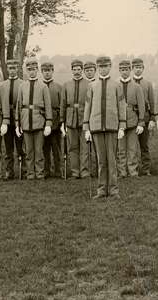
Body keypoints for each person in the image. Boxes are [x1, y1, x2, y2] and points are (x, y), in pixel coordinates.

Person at [83, 55, 125, 199]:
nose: (103, 69)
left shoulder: (117, 85)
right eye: (100, 67)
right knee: (101, 160)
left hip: (112, 126)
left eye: (105, 66)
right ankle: (101, 190)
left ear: (110, 67)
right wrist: (86, 128)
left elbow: (121, 106)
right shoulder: (92, 86)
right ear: (97, 68)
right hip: (95, 127)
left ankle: (113, 190)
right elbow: (87, 107)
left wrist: (122, 126)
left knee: (111, 160)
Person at [15, 57, 52, 180]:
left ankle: (39, 173)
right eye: (29, 69)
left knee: (39, 151)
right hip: (25, 122)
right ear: (26, 70)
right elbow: (19, 106)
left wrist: (48, 123)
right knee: (28, 151)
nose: (32, 72)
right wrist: (17, 124)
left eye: (34, 69)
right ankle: (30, 173)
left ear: (37, 70)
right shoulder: (22, 86)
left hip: (39, 122)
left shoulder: (43, 87)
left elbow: (48, 106)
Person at [115, 60, 146, 178]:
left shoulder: (137, 87)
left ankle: (133, 171)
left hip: (133, 120)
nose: (124, 72)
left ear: (130, 70)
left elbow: (141, 105)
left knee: (132, 148)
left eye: (126, 69)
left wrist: (141, 122)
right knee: (120, 148)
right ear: (119, 71)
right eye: (122, 70)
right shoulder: (115, 86)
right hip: (119, 122)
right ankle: (122, 172)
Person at [61, 59, 90, 178]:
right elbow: (63, 104)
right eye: (74, 69)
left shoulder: (89, 84)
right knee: (72, 148)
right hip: (70, 120)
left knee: (84, 148)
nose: (77, 72)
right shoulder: (66, 85)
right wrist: (62, 122)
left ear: (82, 70)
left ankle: (85, 172)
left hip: (84, 120)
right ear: (71, 70)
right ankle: (75, 171)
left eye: (79, 69)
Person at [0, 58, 25, 179]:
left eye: (14, 68)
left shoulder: (22, 84)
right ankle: (9, 172)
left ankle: (24, 170)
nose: (12, 70)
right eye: (10, 68)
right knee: (8, 148)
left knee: (21, 147)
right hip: (6, 119)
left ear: (18, 69)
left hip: (19, 119)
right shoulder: (2, 85)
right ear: (7, 69)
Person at [131, 58, 154, 175]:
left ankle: (146, 169)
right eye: (136, 67)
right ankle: (133, 169)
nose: (138, 70)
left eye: (140, 67)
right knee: (132, 146)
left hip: (144, 118)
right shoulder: (128, 83)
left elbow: (152, 102)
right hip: (131, 118)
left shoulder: (148, 84)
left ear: (143, 68)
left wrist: (152, 119)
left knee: (144, 145)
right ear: (132, 69)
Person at [41, 61, 64, 178]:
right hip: (42, 120)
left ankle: (58, 170)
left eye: (49, 71)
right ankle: (46, 170)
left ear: (52, 71)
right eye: (45, 71)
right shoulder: (39, 87)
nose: (47, 73)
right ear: (42, 72)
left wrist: (61, 121)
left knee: (56, 147)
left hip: (56, 121)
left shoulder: (59, 87)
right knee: (44, 147)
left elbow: (62, 105)